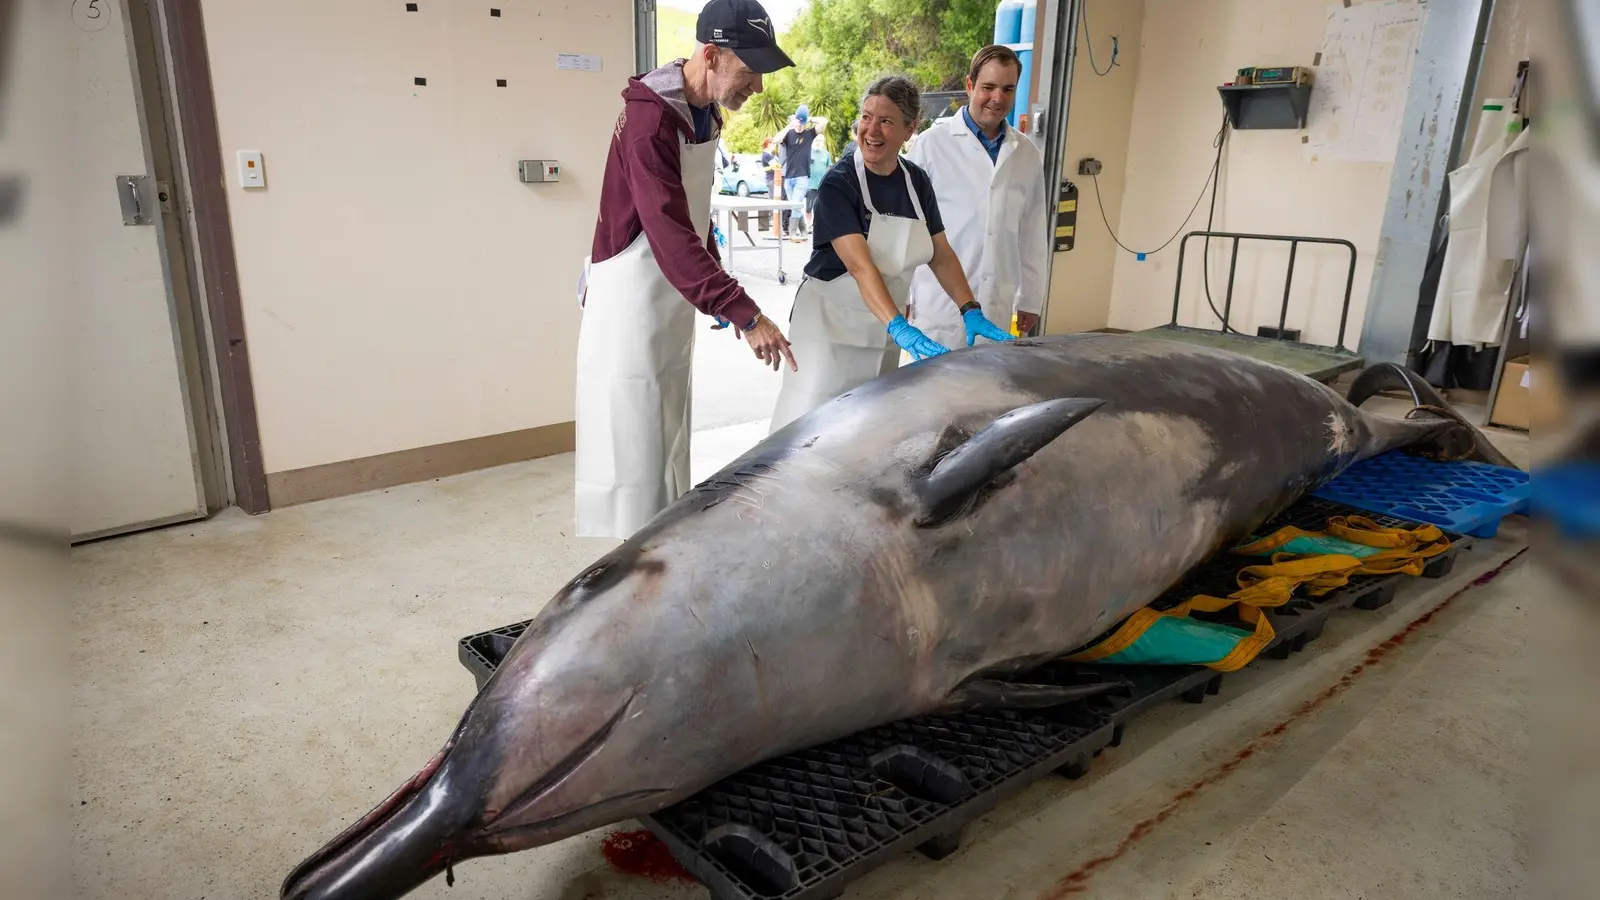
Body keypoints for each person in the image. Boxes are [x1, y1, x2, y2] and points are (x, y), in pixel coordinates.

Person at [575, 0, 798, 540]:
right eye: (750, 72)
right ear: (713, 55)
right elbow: (669, 231)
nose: (759, 88)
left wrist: (714, 277)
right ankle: (629, 575)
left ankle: (659, 554)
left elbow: (694, 219)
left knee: (668, 433)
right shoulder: (650, 120)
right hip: (631, 299)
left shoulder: (704, 113)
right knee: (634, 449)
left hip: (667, 294)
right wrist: (743, 312)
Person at [768, 75, 1013, 433]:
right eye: (866, 117)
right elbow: (860, 265)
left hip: (881, 330)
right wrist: (902, 328)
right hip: (830, 329)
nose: (872, 130)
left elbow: (940, 253)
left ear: (909, 129)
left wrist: (969, 309)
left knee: (865, 429)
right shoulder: (840, 183)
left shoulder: (916, 181)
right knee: (809, 428)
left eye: (886, 121)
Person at [906, 44, 1051, 346]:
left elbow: (1033, 230)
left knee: (987, 388)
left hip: (996, 301)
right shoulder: (932, 146)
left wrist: (1031, 298)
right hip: (938, 304)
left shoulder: (1026, 153)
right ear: (970, 85)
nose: (998, 98)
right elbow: (908, 226)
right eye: (988, 87)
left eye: (1007, 89)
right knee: (933, 388)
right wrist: (903, 294)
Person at [777, 105, 819, 237]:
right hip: (789, 177)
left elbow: (824, 122)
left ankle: (792, 232)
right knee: (795, 206)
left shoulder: (809, 134)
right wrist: (790, 124)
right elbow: (776, 139)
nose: (800, 126)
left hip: (802, 176)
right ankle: (804, 231)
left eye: (803, 123)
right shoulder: (789, 134)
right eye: (799, 122)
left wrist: (809, 119)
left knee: (795, 203)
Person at [806, 136, 832, 233]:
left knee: (821, 206)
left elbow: (829, 167)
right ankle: (809, 225)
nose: (818, 142)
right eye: (816, 140)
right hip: (810, 184)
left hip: (822, 185)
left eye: (820, 141)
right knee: (809, 207)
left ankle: (819, 225)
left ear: (823, 142)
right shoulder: (808, 153)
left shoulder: (826, 154)